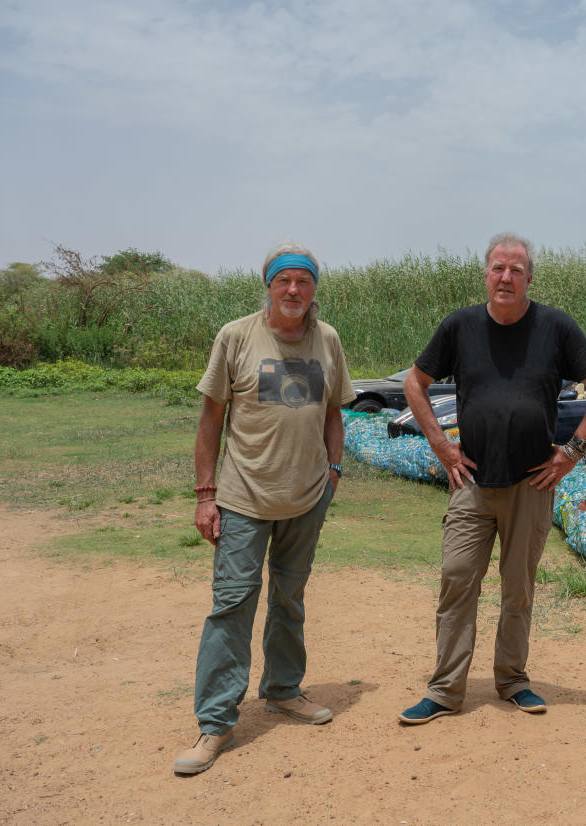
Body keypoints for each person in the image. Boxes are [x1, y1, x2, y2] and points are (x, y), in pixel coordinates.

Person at [398, 232, 586, 724]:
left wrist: (573, 452)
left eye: (516, 270)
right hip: (471, 482)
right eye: (498, 268)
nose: (506, 277)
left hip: (531, 484)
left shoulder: (556, 327)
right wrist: (439, 442)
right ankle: (445, 689)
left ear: (529, 279)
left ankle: (513, 680)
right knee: (457, 579)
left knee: (518, 587)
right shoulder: (460, 327)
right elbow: (415, 383)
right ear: (486, 274)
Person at [174, 243, 355, 775]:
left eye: (303, 282)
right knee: (232, 604)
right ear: (269, 286)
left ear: (314, 289)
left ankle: (282, 689)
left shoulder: (328, 340)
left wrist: (334, 473)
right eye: (284, 282)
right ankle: (215, 722)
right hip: (243, 498)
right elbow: (210, 420)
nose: (294, 291)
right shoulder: (236, 336)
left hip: (306, 498)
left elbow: (333, 415)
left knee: (290, 596)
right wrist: (205, 496)